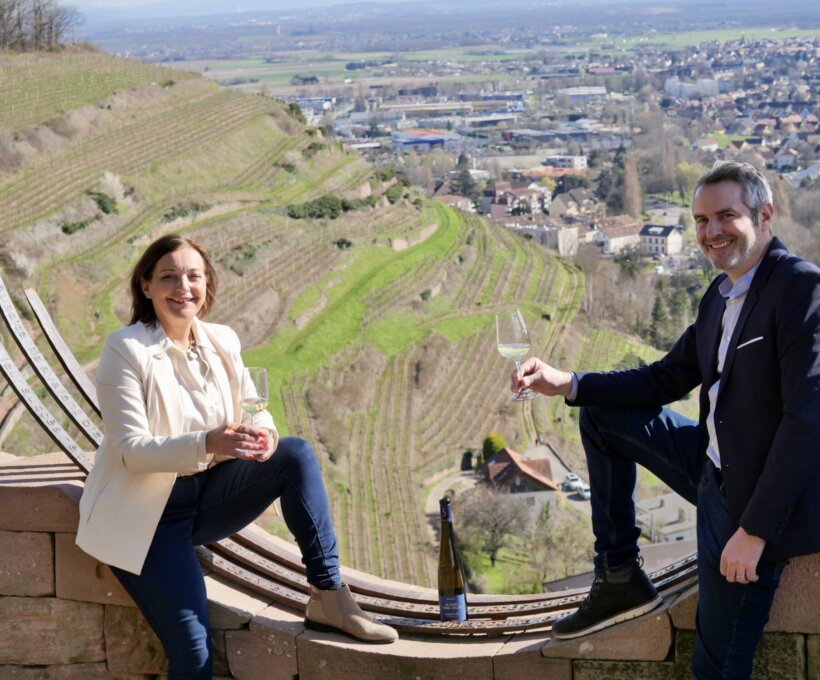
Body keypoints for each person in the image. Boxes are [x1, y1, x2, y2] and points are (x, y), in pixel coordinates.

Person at [514, 161, 819, 679]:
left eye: (726, 216)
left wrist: (754, 530)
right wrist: (567, 381)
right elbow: (663, 380)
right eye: (701, 221)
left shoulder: (800, 289)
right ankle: (618, 576)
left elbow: (807, 420)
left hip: (752, 502)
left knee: (716, 668)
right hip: (710, 465)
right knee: (601, 415)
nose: (711, 232)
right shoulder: (719, 296)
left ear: (764, 215)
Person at [76, 234, 397, 679]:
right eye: (168, 277)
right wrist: (208, 442)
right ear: (146, 286)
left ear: (207, 285)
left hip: (207, 495)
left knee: (296, 454)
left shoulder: (222, 340)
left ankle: (329, 598)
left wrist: (263, 437)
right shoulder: (125, 349)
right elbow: (131, 452)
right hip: (148, 519)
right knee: (194, 653)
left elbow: (256, 412)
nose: (182, 287)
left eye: (193, 276)